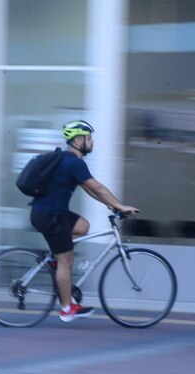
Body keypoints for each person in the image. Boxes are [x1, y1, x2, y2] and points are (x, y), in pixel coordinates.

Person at [29, 120, 138, 322]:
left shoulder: (69, 160)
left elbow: (89, 189)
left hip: (49, 213)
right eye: (89, 138)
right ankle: (67, 309)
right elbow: (97, 187)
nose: (92, 142)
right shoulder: (74, 163)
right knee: (66, 260)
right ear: (79, 140)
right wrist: (121, 206)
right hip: (51, 217)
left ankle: (54, 257)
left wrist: (111, 205)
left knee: (83, 226)